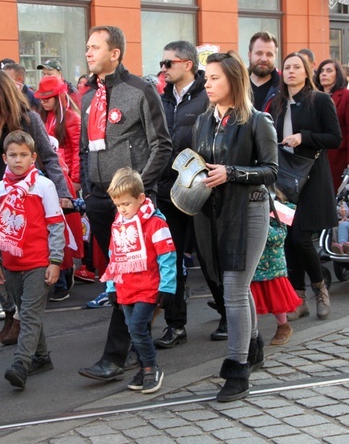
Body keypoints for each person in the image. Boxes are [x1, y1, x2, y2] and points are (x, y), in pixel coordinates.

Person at [77, 25, 172, 382]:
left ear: (115, 53)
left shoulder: (140, 91)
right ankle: (142, 335)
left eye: (94, 47)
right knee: (121, 276)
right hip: (101, 201)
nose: (88, 53)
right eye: (86, 47)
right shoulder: (88, 97)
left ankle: (116, 355)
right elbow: (86, 148)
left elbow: (161, 144)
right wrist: (87, 190)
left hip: (133, 202)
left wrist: (138, 190)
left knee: (130, 274)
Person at [192, 50, 278, 402]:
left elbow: (272, 171)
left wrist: (232, 173)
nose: (207, 84)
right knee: (233, 286)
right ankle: (253, 345)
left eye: (214, 78)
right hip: (212, 211)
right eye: (206, 78)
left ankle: (237, 368)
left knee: (233, 287)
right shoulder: (203, 121)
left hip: (250, 209)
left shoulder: (258, 121)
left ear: (234, 80)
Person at [0, 70, 71, 343]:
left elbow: (48, 156)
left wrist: (62, 192)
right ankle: (11, 310)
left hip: (27, 199)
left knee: (22, 263)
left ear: (7, 97)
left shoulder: (28, 119)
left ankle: (22, 317)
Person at [0, 130, 64, 390]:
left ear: (33, 157)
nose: (17, 160)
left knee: (28, 315)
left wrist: (55, 260)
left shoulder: (43, 186)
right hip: (11, 265)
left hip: (38, 262)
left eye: (23, 155)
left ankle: (21, 363)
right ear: (4, 158)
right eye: (12, 155)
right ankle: (42, 357)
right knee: (28, 312)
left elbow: (55, 225)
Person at [269, 52, 342, 321]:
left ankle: (320, 288)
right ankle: (298, 298)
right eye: (287, 67)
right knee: (288, 239)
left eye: (296, 67)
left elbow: (335, 138)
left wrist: (305, 137)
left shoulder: (320, 100)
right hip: (283, 178)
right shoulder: (275, 103)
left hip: (311, 176)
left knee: (301, 237)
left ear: (306, 71)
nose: (291, 72)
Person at [154, 40, 214, 348]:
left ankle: (230, 316)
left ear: (187, 64)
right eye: (162, 64)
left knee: (208, 256)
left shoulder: (207, 97)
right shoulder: (160, 99)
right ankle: (175, 325)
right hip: (166, 191)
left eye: (168, 63)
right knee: (171, 258)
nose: (162, 69)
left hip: (201, 192)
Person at [101, 168, 176, 394]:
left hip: (148, 286)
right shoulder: (119, 225)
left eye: (126, 204)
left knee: (137, 329)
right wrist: (111, 285)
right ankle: (144, 368)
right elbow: (114, 256)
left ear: (141, 199)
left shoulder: (156, 224)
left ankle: (152, 368)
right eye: (118, 205)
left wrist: (167, 286)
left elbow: (167, 256)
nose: (122, 209)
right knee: (136, 331)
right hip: (126, 288)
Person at [34, 75, 83, 301]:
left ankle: (64, 275)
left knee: (61, 229)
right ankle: (57, 275)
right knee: (47, 229)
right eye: (41, 98)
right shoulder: (40, 119)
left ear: (59, 96)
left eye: (48, 98)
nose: (44, 102)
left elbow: (76, 152)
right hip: (43, 180)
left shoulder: (71, 119)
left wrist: (74, 180)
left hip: (63, 182)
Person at [251, 192, 301, 346]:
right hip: (253, 265)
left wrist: (261, 222)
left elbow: (278, 237)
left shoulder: (280, 210)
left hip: (272, 266)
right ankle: (251, 333)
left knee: (276, 300)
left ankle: (283, 326)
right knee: (251, 301)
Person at [315, 59, 349, 190]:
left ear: (338, 75)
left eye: (329, 71)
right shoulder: (313, 96)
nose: (324, 74)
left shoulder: (348, 96)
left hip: (339, 157)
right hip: (316, 156)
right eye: (321, 71)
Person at [247, 31, 280, 112]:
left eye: (269, 54)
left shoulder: (283, 88)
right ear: (249, 55)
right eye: (259, 53)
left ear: (275, 57)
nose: (264, 59)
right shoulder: (236, 85)